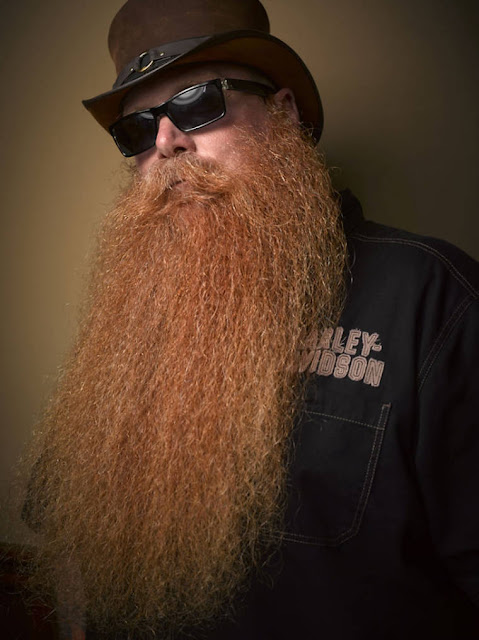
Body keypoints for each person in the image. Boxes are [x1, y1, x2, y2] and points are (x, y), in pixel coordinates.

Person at [23, 0, 479, 638]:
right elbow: (70, 540)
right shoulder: (125, 312)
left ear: (285, 114)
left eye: (196, 103)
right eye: (137, 128)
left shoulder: (434, 297)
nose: (165, 141)